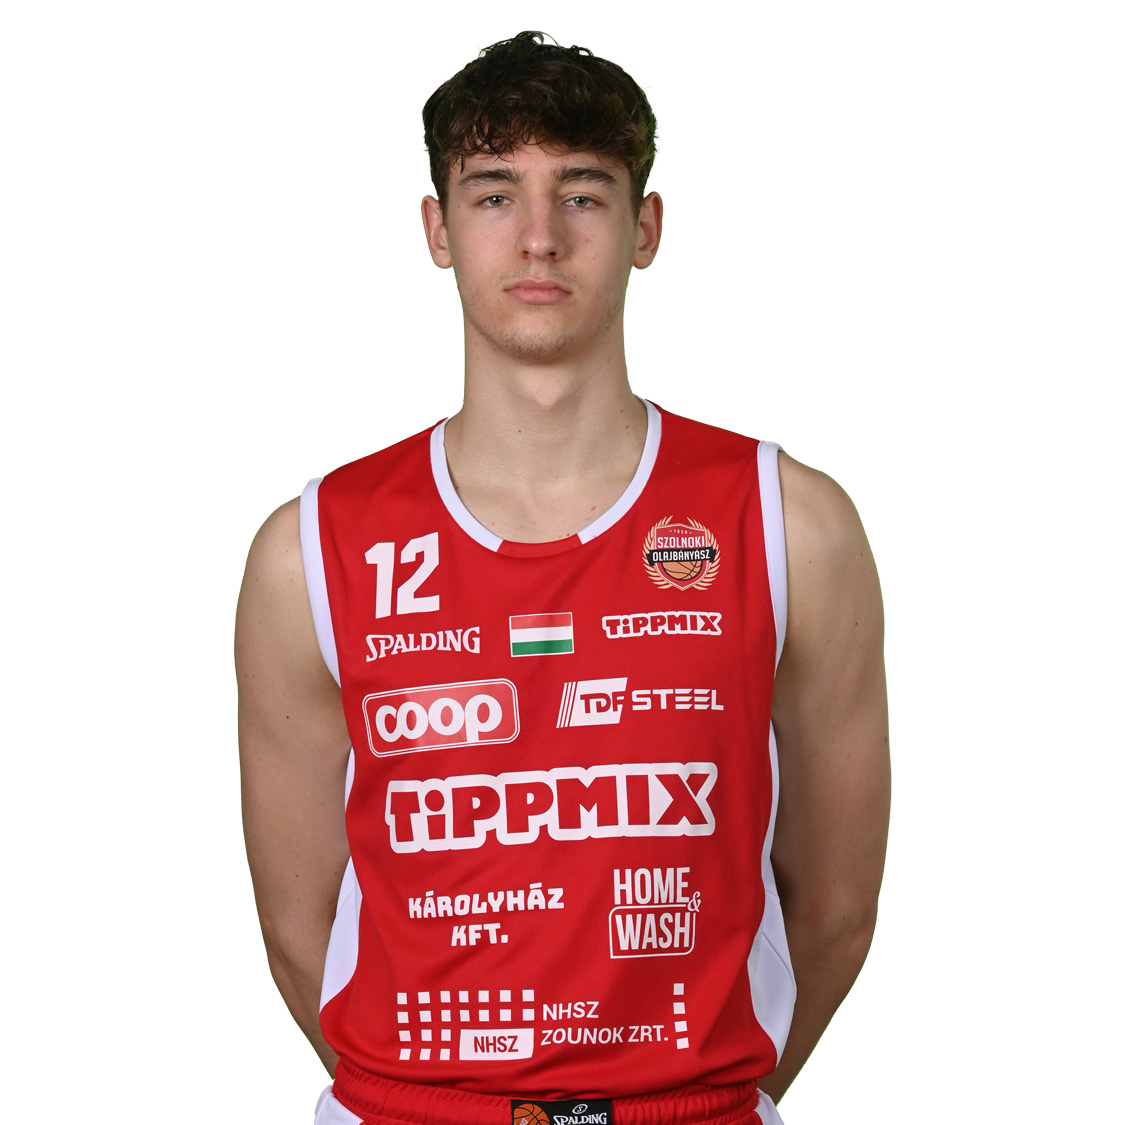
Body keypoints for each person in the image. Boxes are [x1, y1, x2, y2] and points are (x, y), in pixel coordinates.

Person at [236, 30, 890, 1125]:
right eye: (495, 195)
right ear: (438, 229)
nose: (539, 236)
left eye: (582, 193)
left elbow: (834, 906)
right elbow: (299, 928)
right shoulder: (308, 550)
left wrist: (691, 1095)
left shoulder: (790, 524)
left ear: (646, 227)